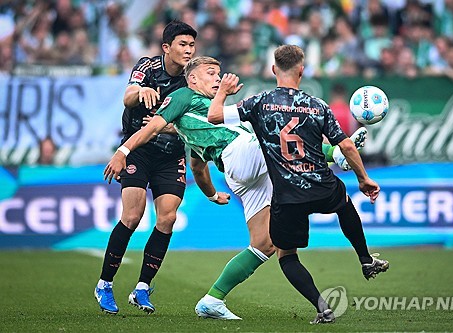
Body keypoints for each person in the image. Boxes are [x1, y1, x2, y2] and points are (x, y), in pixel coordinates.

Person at [103, 56, 368, 320]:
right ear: (193, 78)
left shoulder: (200, 116)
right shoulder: (184, 95)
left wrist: (212, 194)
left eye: (219, 73)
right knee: (272, 131)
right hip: (241, 155)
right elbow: (151, 129)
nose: (217, 78)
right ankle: (336, 153)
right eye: (211, 73)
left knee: (265, 244)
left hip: (241, 175)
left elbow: (197, 167)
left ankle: (213, 300)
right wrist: (123, 151)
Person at [207, 45, 389, 324]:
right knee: (344, 203)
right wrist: (363, 178)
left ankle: (322, 307)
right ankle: (365, 258)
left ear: (273, 70)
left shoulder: (260, 102)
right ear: (302, 71)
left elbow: (214, 117)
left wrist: (222, 92)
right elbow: (348, 146)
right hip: (321, 185)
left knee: (286, 256)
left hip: (287, 195)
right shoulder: (318, 106)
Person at [94, 20, 197, 315]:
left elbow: (190, 126)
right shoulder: (148, 67)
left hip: (171, 157)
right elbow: (127, 97)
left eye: (191, 45)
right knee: (132, 215)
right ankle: (104, 284)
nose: (188, 50)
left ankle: (142, 287)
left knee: (167, 219)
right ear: (167, 47)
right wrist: (141, 92)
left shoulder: (192, 80)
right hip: (138, 152)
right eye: (183, 44)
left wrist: (165, 126)